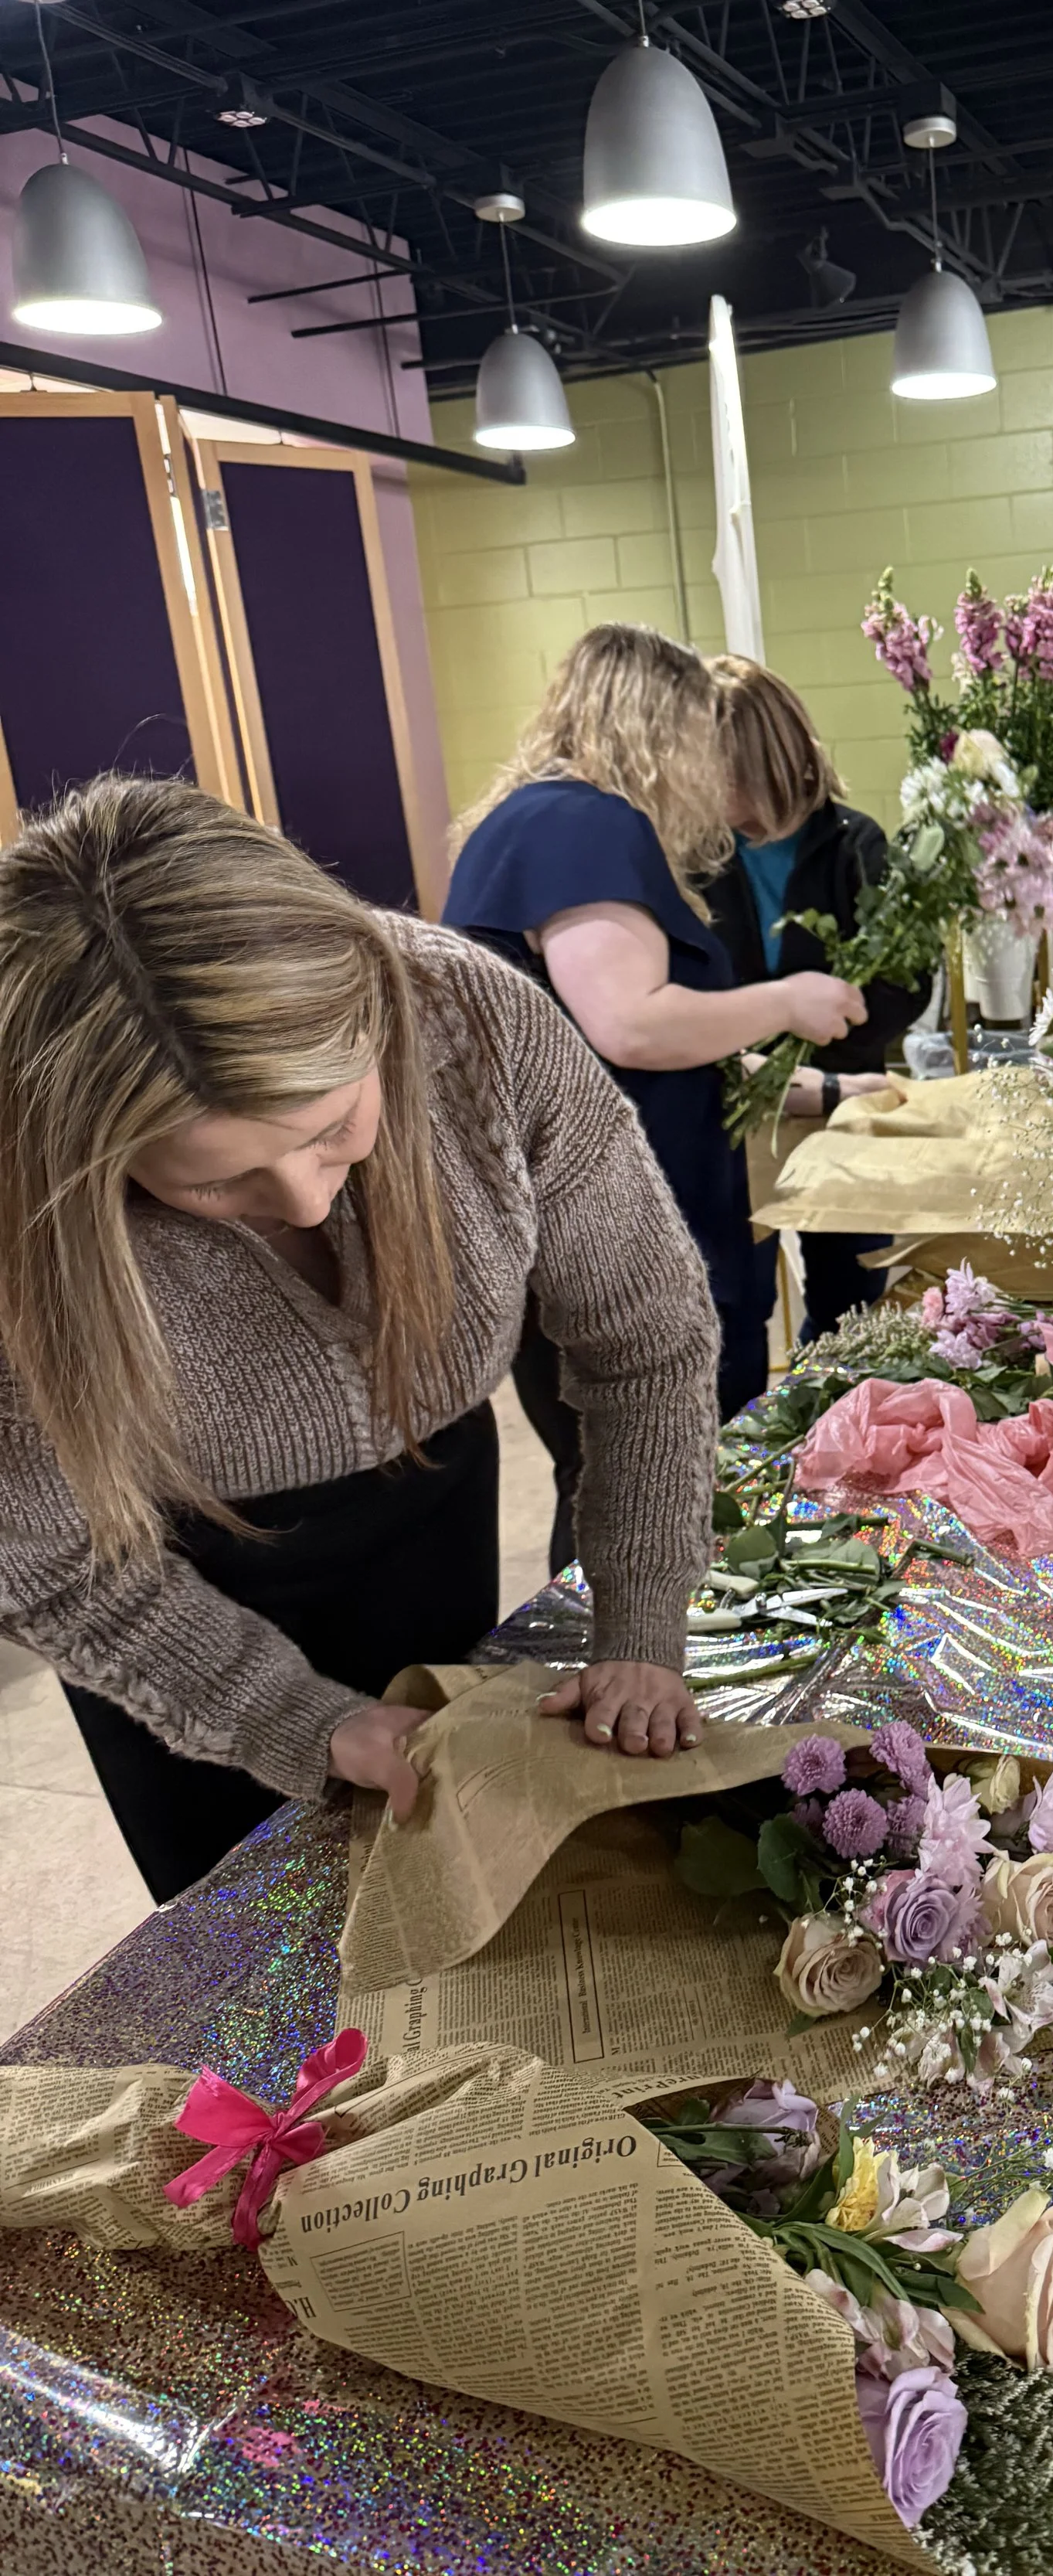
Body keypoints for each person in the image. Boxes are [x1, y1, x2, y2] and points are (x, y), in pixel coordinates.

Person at [0, 777, 721, 1905]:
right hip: (161, 1601)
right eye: (214, 1182)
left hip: (429, 1514)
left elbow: (647, 1347)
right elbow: (40, 1553)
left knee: (465, 1903)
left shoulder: (472, 1019)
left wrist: (635, 1615)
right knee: (268, 1980)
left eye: (335, 1129)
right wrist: (295, 1722)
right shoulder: (23, 1196)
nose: (299, 1202)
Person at [441, 624, 865, 1567]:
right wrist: (786, 1002)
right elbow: (629, 1025)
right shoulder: (584, 823)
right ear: (662, 726)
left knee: (620, 1486)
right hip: (606, 1240)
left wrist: (820, 1089)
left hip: (584, 1226)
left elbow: (651, 1060)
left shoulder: (539, 821)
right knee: (631, 1494)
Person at [708, 655, 928, 1343]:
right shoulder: (694, 856)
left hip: (845, 1102)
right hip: (734, 1116)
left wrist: (816, 1048)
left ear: (760, 761)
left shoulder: (852, 844)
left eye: (713, 763)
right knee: (734, 1313)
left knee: (849, 1312)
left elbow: (905, 984)